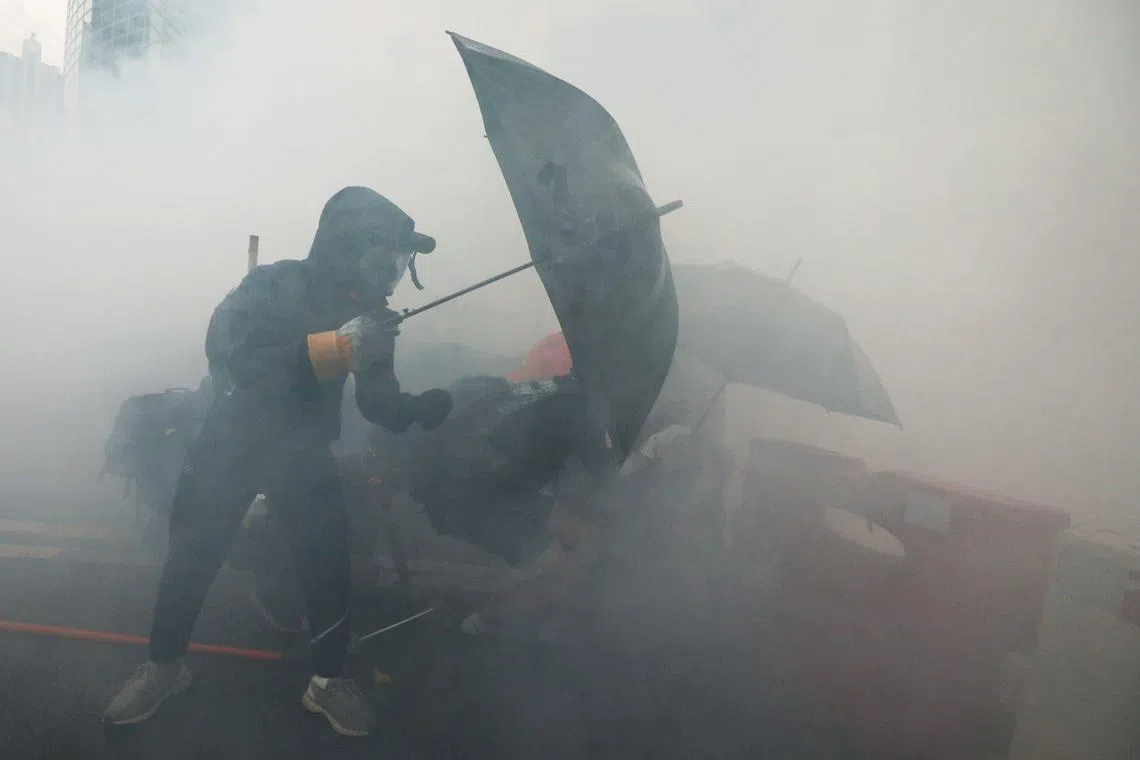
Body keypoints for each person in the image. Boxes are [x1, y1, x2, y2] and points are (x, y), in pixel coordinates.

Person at [103, 187, 453, 736]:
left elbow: (374, 399)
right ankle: (164, 665)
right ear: (348, 247)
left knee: (327, 562)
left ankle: (328, 681)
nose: (394, 268)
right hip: (229, 442)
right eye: (386, 253)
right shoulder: (273, 284)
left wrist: (413, 409)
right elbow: (229, 354)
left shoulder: (370, 316)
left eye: (401, 258)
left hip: (301, 451)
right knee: (193, 557)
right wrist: (335, 345)